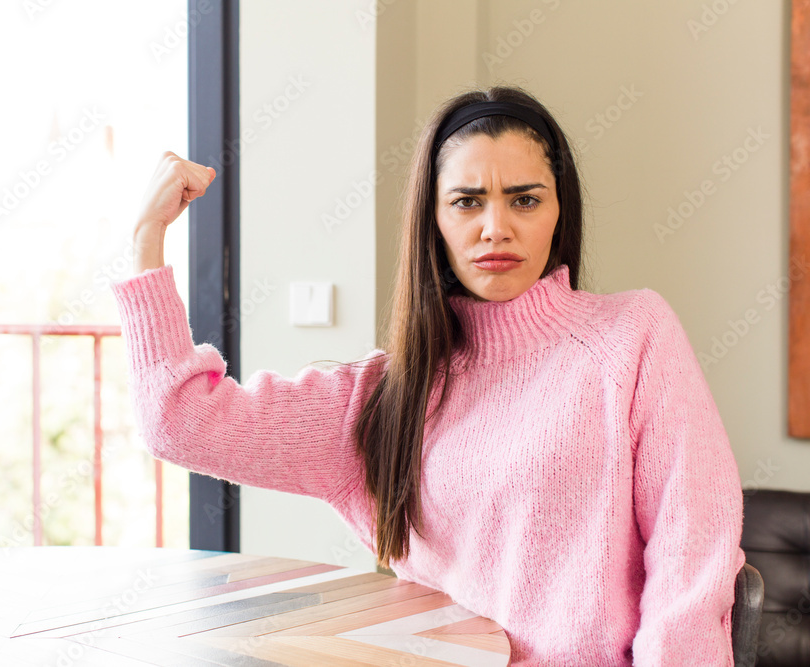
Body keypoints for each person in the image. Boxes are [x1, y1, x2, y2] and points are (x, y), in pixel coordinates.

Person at [111, 85, 746, 666]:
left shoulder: (632, 336)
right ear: (433, 221)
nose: (496, 228)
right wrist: (146, 238)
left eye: (525, 199)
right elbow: (180, 422)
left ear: (559, 211)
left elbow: (692, 552)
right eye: (467, 202)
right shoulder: (387, 396)